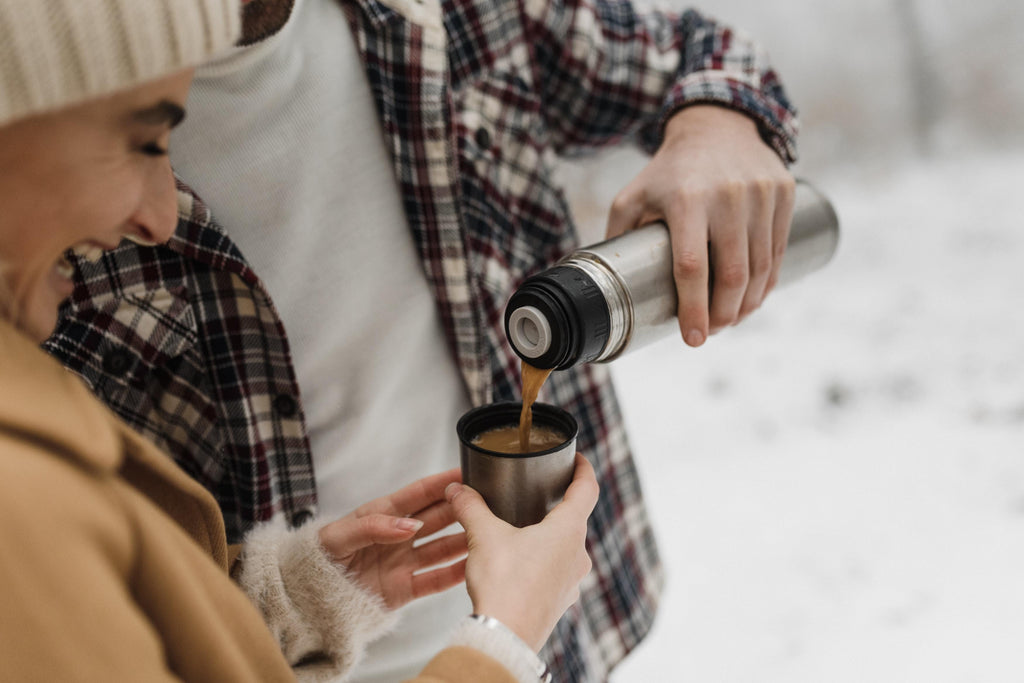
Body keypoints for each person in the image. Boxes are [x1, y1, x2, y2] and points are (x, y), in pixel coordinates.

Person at [44, 0, 800, 680]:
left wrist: (717, 125)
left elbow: (703, 50)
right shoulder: (46, 143)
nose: (152, 213)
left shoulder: (456, 14)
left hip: (556, 642)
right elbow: (86, 601)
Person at [0, 2, 599, 681]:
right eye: (143, 142)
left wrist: (295, 599)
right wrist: (506, 644)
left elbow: (126, 622)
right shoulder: (19, 495)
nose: (163, 216)